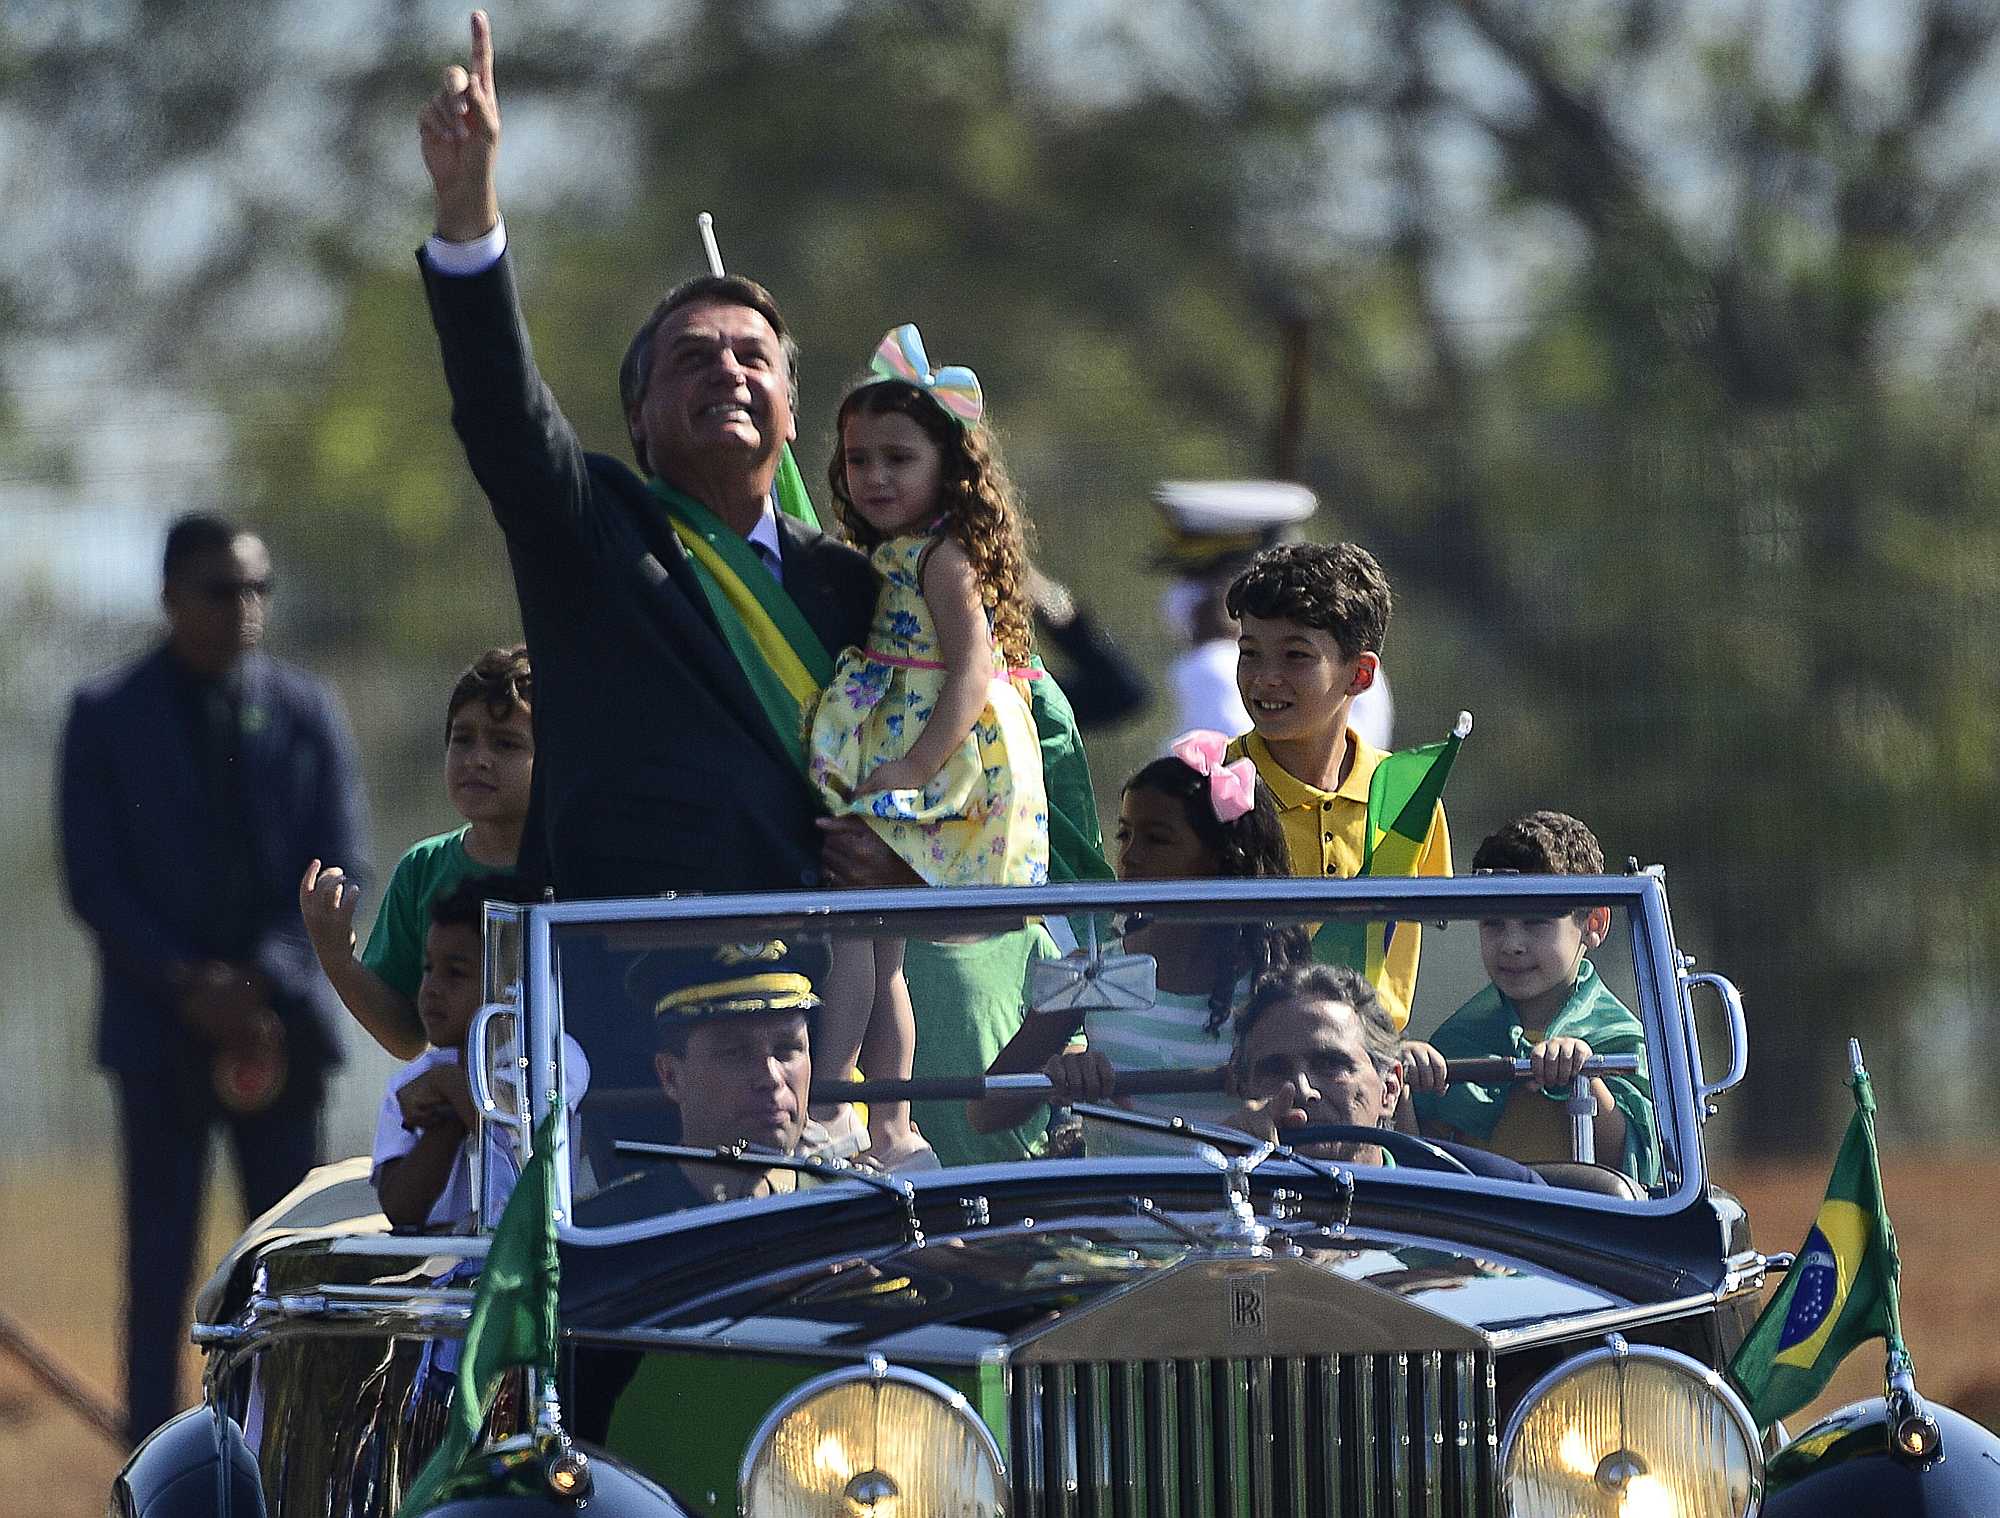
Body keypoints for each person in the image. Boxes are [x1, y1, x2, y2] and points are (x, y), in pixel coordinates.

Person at [414, 15, 1107, 903]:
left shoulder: (859, 586)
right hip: (633, 969)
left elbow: (953, 757)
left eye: (753, 356)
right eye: (693, 357)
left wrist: (905, 867)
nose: (729, 372)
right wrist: (468, 215)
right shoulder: (594, 529)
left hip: (818, 985)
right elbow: (502, 413)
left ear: (790, 416)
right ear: (639, 415)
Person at [57, 511, 367, 1440]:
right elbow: (93, 879)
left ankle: (293, 1447)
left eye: (258, 589)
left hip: (282, 1029)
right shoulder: (105, 717)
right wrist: (188, 985)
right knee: (159, 1264)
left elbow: (342, 860)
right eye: (222, 590)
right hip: (162, 1031)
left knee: (294, 1265)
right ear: (168, 598)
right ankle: (153, 1461)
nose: (245, 608)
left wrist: (265, 978)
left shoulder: (308, 711)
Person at [968, 731, 1305, 1146]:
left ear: (1222, 856)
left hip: (1232, 1203)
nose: (1130, 855)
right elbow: (985, 1112)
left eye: (1157, 839)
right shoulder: (1091, 971)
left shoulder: (1274, 982)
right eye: (1125, 835)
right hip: (1114, 1206)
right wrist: (1057, 1076)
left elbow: (1312, 1107)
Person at [1222, 540, 1448, 1025]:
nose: (1265, 678)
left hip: (1370, 1072)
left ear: (1360, 674)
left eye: (1296, 656)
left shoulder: (1411, 797)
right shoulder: (1208, 789)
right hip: (1242, 1069)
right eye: (1250, 654)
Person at [1402, 812, 1659, 1185]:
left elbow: (1639, 1167)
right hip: (1480, 1236)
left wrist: (1586, 1078)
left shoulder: (1623, 1040)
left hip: (1579, 1237)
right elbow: (1418, 1172)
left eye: (1535, 922)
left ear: (1594, 924)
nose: (1512, 945)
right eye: (1493, 923)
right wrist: (1403, 1086)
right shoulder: (1458, 1041)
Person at [302, 645, 534, 1058]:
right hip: (462, 1116)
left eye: (505, 744)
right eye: (462, 740)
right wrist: (337, 959)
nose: (477, 759)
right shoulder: (422, 869)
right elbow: (407, 1037)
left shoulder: (577, 863)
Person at [370, 875, 589, 1231]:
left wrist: (452, 1085)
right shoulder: (414, 1081)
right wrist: (451, 1107)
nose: (431, 989)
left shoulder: (557, 1056)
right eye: (428, 969)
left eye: (455, 973)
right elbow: (402, 1209)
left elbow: (524, 1159)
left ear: (511, 982)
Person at [577, 940, 826, 1224]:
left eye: (786, 1050)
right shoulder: (612, 1232)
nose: (771, 1078)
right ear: (670, 1076)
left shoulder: (855, 1213)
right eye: (735, 1054)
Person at [1224, 963, 1543, 1183]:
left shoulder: (1489, 1193)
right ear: (1245, 1089)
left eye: (1332, 1065)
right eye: (1274, 1070)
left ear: (1389, 1090)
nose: (1303, 1089)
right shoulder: (1197, 1199)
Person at [1151, 481, 1392, 752]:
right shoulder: (1344, 655)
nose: (1183, 592)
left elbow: (1227, 779)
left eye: (1200, 575)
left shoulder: (1215, 667)